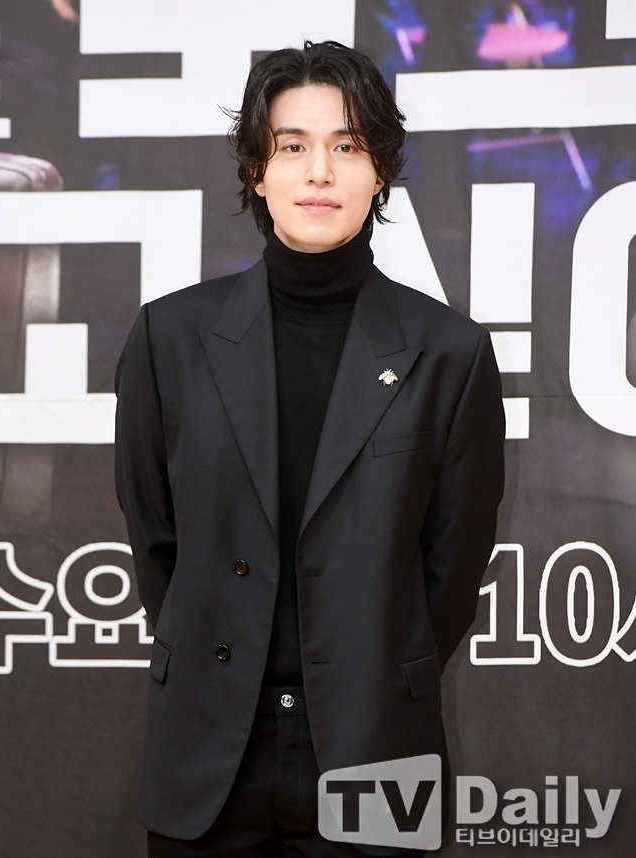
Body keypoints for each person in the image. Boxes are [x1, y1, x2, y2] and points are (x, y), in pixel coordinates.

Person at [114, 39, 505, 858]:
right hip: (208, 754)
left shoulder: (450, 353)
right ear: (257, 171)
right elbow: (157, 541)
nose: (319, 172)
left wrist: (375, 670)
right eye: (292, 147)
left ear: (381, 171)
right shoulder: (170, 338)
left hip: (376, 748)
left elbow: (453, 565)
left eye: (347, 147)